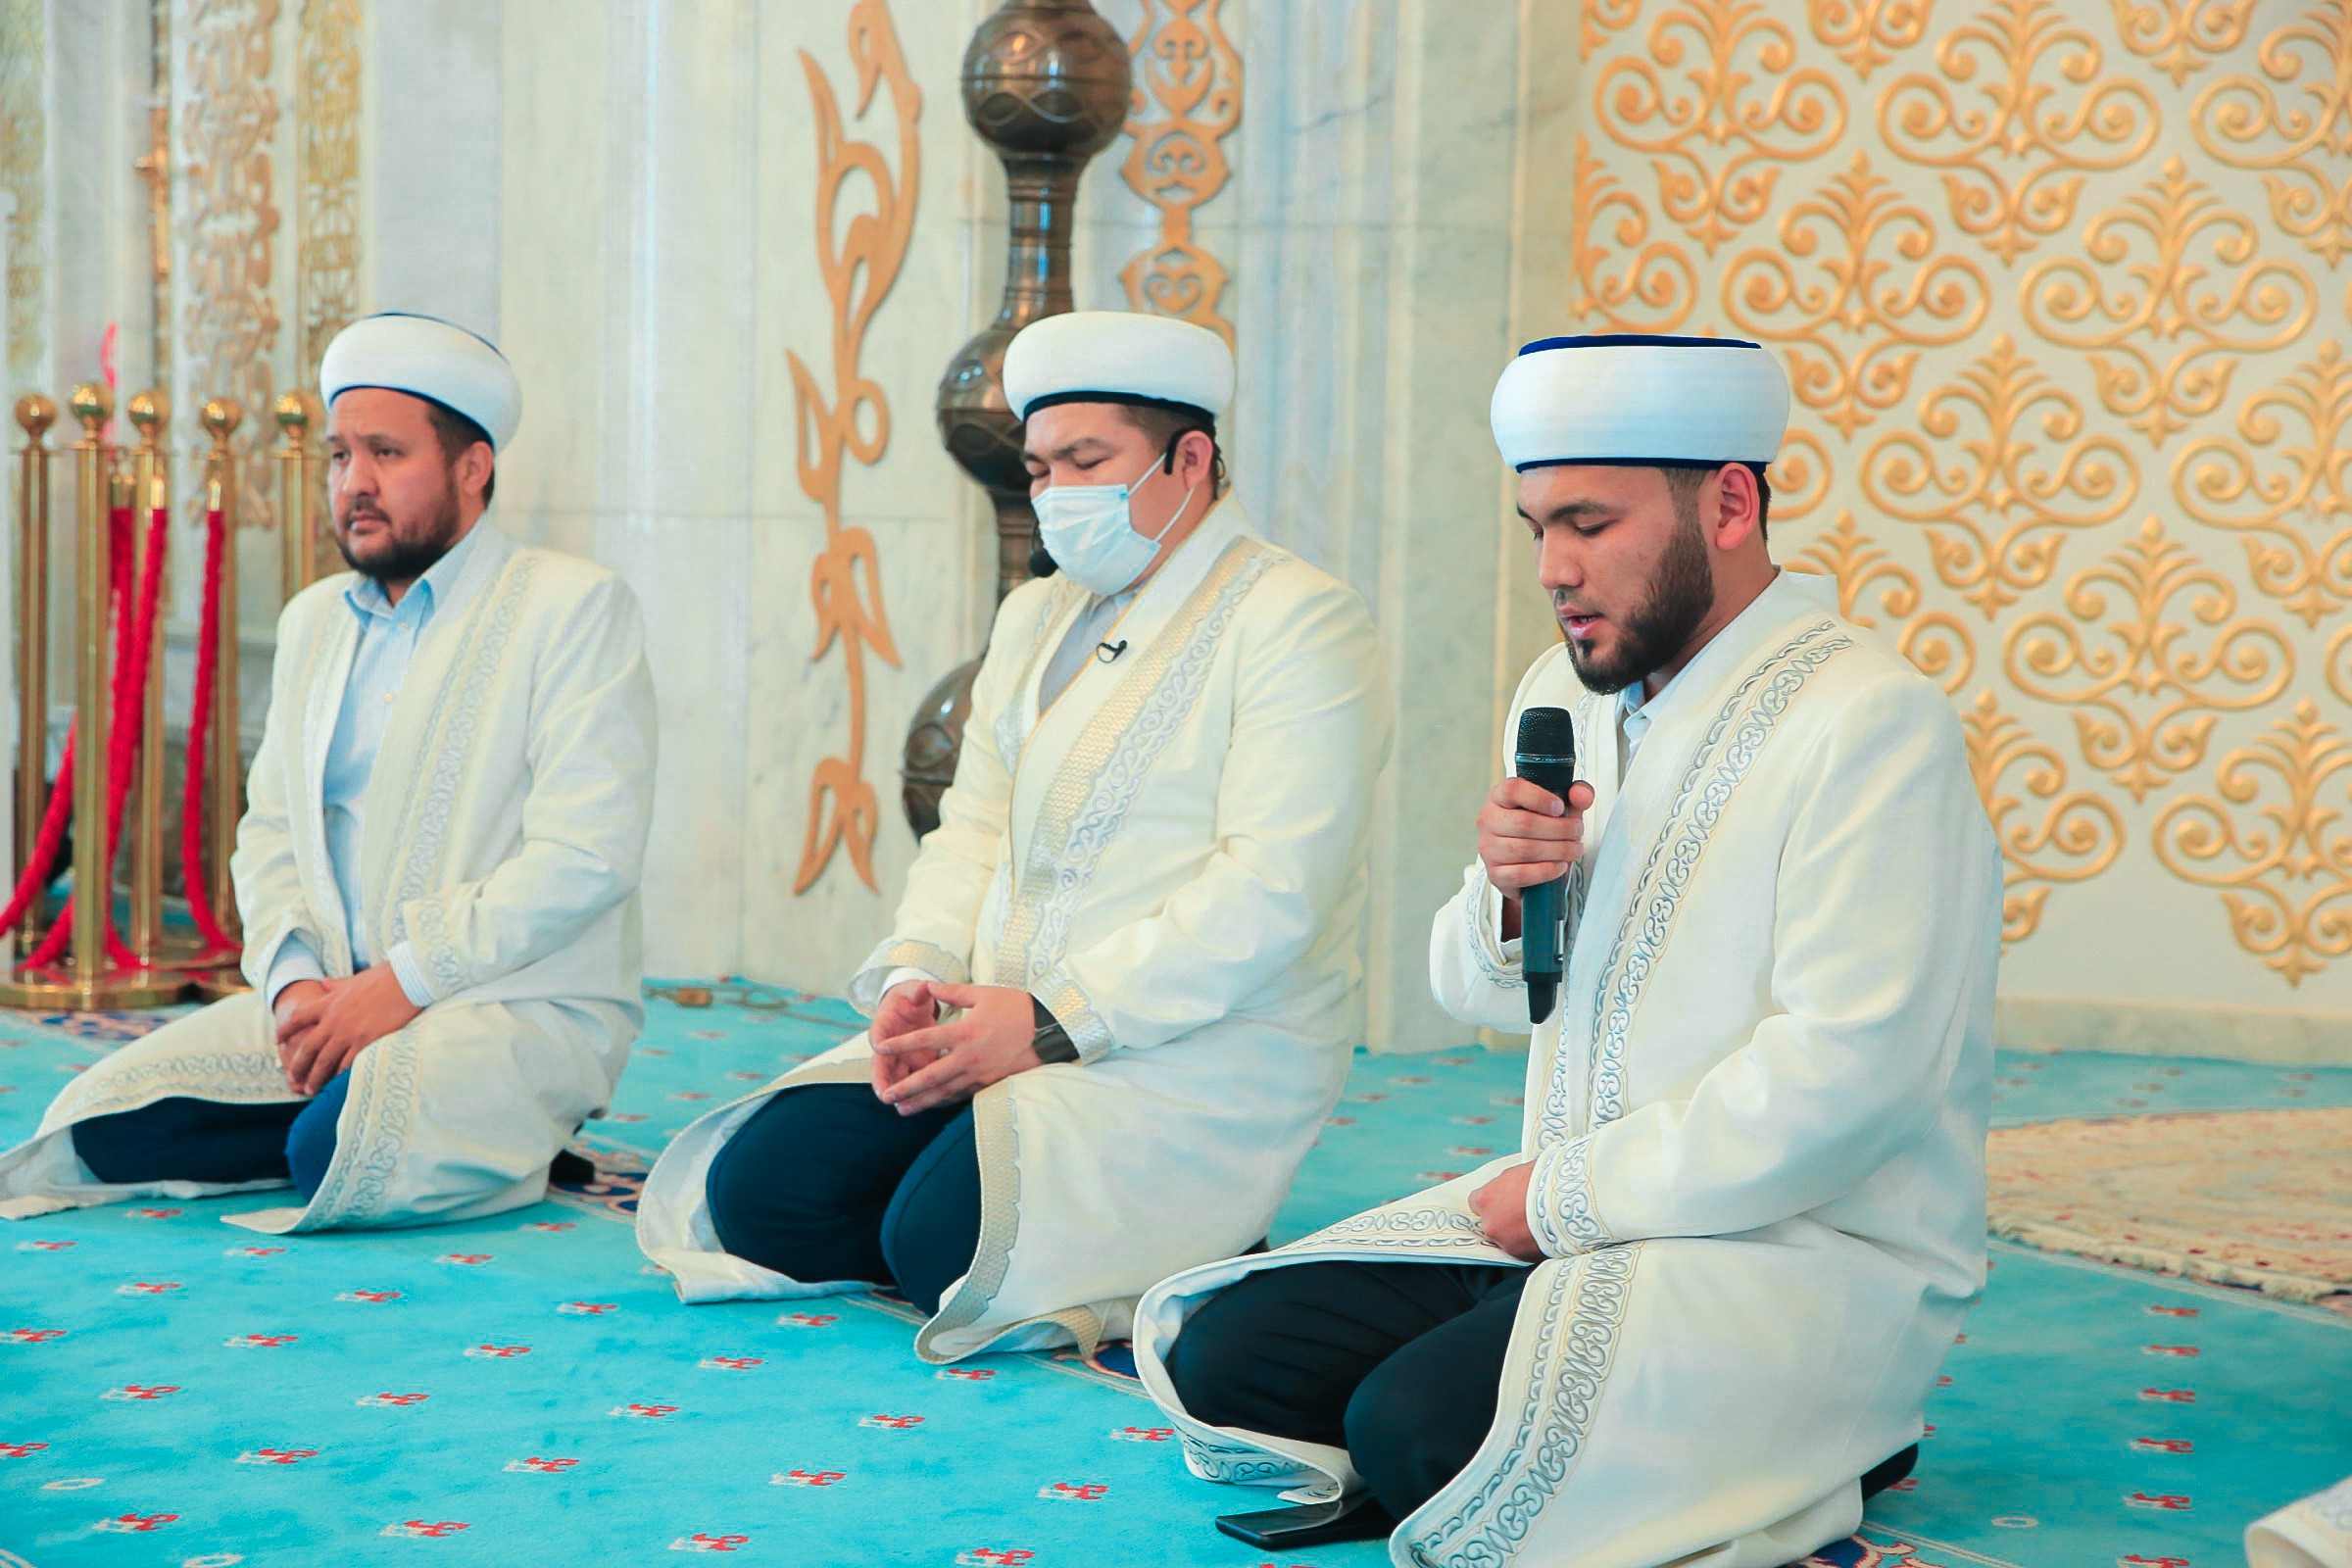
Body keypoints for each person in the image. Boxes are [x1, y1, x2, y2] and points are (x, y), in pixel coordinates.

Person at [1132, 332, 2002, 1566]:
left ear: (1731, 503)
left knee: (1412, 1430)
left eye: (1590, 524)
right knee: (1231, 1353)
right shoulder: (1568, 689)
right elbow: (1476, 989)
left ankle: (1844, 1428)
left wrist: (1558, 1197)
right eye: (1538, 527)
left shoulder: (1867, 721)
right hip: (1570, 1217)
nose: (1554, 568)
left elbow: (1852, 1078)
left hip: (1790, 1249)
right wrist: (1508, 892)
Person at [637, 310, 1392, 1363]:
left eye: (1089, 461)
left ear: (1191, 458)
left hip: (1186, 1048)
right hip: (991, 1021)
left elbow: (1273, 890)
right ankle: (1008, 1188)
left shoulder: (1299, 618)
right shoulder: (1037, 614)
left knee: (940, 1246)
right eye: (1040, 470)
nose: (1057, 493)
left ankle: (1177, 1219)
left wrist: (1051, 1021)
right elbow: (972, 827)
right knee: (763, 1195)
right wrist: (920, 976)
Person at [0, 313, 659, 1235]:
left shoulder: (573, 608)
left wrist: (402, 984)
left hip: (508, 1002)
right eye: (342, 456)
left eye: (387, 453)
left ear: (473, 468)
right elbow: (269, 830)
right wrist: (296, 987)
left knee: (334, 1153)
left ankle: (509, 1126)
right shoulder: (315, 620)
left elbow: (587, 857)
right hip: (333, 1001)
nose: (355, 483)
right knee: (103, 1128)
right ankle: (430, 1121)